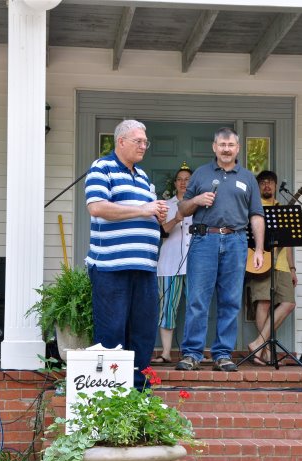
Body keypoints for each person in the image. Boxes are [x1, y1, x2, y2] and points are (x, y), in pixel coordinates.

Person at [85, 119, 169, 389]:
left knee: (143, 333)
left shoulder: (142, 177)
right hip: (111, 267)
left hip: (144, 267)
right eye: (138, 141)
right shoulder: (102, 167)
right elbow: (97, 207)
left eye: (146, 142)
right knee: (111, 333)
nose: (144, 146)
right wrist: (143, 210)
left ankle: (138, 394)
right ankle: (111, 395)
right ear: (120, 141)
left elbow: (143, 212)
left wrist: (157, 214)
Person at [175, 127, 265, 372]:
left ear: (238, 148)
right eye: (222, 145)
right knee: (197, 300)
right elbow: (182, 209)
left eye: (231, 145)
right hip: (204, 240)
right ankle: (192, 353)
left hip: (236, 241)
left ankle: (223, 354)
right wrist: (196, 200)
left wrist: (258, 249)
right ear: (214, 147)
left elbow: (256, 215)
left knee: (230, 301)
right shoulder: (201, 174)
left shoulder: (248, 178)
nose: (226, 149)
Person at [246, 171, 297, 365]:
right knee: (264, 303)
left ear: (275, 186)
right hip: (261, 261)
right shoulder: (253, 207)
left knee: (289, 303)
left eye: (270, 183)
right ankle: (266, 352)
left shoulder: (282, 209)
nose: (267, 185)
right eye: (263, 183)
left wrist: (292, 268)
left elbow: (288, 243)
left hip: (282, 264)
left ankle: (258, 343)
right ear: (258, 186)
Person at [152, 164, 194, 364]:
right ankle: (166, 352)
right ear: (175, 183)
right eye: (180, 179)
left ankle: (192, 352)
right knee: (168, 308)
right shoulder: (166, 206)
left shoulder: (199, 205)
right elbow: (161, 233)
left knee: (196, 308)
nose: (183, 183)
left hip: (195, 264)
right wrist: (176, 219)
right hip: (169, 263)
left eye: (187, 179)